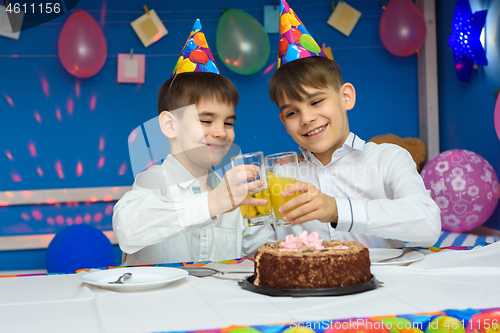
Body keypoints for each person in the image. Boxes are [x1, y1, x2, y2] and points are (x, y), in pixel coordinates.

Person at [267, 0, 441, 248]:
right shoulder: (281, 175)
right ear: (284, 121)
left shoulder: (388, 158)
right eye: (293, 112)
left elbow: (428, 224)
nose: (306, 118)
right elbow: (262, 241)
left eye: (316, 102)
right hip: (307, 285)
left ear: (345, 97)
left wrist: (337, 209)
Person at [113, 20, 275, 265]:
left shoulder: (229, 191)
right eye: (206, 121)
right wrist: (213, 203)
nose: (221, 132)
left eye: (228, 123)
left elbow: (264, 250)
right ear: (170, 125)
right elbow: (126, 227)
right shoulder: (155, 180)